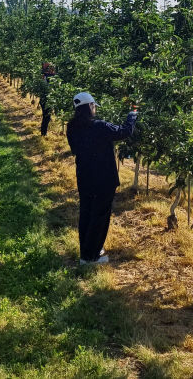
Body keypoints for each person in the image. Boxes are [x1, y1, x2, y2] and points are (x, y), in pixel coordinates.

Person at [66, 92, 138, 265]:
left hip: (85, 177)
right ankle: (91, 258)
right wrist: (132, 116)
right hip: (103, 179)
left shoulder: (72, 127)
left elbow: (76, 149)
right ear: (89, 107)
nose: (95, 108)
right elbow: (124, 131)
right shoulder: (99, 126)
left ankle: (87, 250)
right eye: (94, 106)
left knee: (86, 214)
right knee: (100, 216)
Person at [39, 62, 56, 136]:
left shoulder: (46, 75)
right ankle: (43, 133)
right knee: (46, 116)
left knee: (46, 116)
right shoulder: (46, 76)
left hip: (47, 99)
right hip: (46, 100)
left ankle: (44, 132)